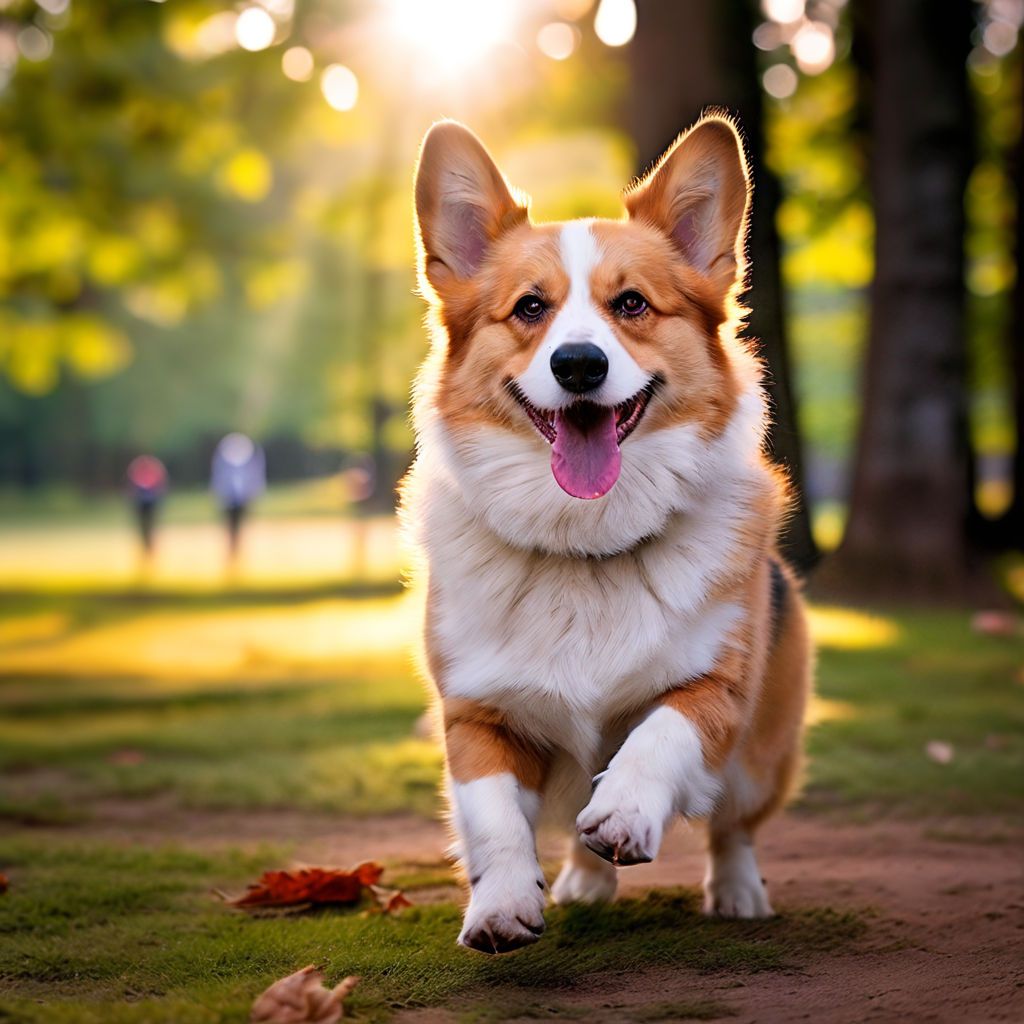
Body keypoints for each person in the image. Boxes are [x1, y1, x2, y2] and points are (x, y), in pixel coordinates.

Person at [211, 433, 266, 560]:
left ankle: (237, 549)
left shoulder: (245, 467)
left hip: (242, 499)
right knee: (230, 526)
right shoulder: (225, 467)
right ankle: (232, 549)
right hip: (229, 499)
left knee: (240, 526)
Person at [125, 455, 168, 559]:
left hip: (151, 503)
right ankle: (146, 548)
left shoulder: (153, 470)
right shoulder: (137, 470)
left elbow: (161, 485)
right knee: (143, 528)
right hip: (141, 504)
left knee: (150, 527)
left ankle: (150, 548)